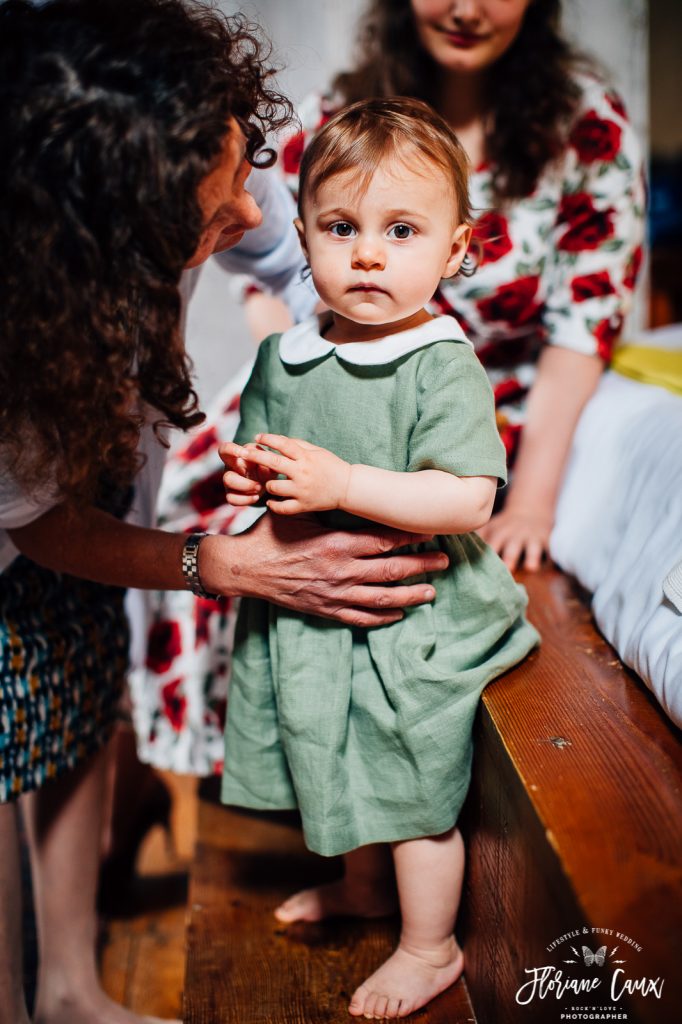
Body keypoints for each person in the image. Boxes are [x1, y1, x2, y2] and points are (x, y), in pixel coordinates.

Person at [0, 3, 450, 1022]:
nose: (248, 217)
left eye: (241, 173)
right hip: (24, 506)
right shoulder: (20, 327)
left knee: (75, 690)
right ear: (98, 247)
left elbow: (297, 267)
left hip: (90, 455)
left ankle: (70, 986)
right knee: (4, 732)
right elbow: (38, 524)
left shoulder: (195, 151)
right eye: (206, 220)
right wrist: (232, 564)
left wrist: (380, 371)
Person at [138, 0, 645, 778]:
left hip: (482, 393)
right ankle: (193, 757)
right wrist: (298, 387)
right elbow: (275, 264)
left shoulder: (589, 130)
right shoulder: (339, 114)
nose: (466, 8)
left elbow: (585, 326)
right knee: (199, 493)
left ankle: (338, 761)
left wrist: (535, 497)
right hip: (328, 363)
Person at [219, 98, 540, 1020]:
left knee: (405, 767)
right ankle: (362, 890)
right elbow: (274, 457)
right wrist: (252, 481)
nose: (366, 254)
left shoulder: (441, 362)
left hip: (411, 608)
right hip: (313, 604)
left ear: (454, 249)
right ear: (306, 234)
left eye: (401, 230)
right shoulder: (288, 352)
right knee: (332, 748)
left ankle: (428, 945)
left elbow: (469, 498)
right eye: (340, 227)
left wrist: (343, 484)